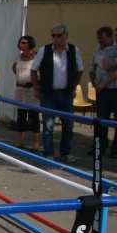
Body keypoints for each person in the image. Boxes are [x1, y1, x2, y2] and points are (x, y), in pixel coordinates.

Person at [30, 23, 83, 163]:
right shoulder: (44, 50)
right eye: (53, 35)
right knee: (48, 126)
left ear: (65, 36)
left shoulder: (73, 50)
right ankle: (48, 153)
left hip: (65, 93)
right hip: (48, 93)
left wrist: (74, 87)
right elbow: (33, 69)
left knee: (69, 125)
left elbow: (80, 70)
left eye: (59, 35)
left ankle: (65, 152)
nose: (56, 38)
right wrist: (36, 89)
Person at [91, 27, 117, 158]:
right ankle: (99, 147)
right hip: (103, 90)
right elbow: (105, 66)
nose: (101, 40)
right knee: (101, 119)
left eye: (103, 37)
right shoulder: (107, 50)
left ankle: (115, 149)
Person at [12, 35, 40, 151]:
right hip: (20, 89)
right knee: (21, 116)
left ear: (30, 44)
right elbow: (14, 68)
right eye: (20, 42)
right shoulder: (19, 56)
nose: (21, 44)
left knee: (34, 116)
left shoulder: (37, 56)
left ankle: (36, 143)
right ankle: (20, 141)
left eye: (24, 43)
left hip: (32, 88)